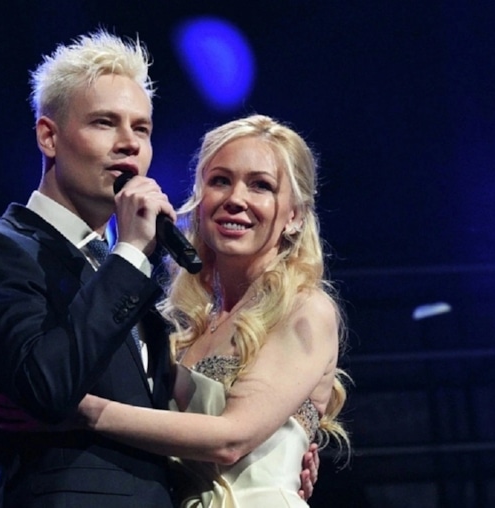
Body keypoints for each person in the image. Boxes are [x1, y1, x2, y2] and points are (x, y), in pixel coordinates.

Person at [0, 30, 319, 507]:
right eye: (105, 123)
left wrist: (271, 457)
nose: (129, 144)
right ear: (49, 137)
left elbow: (179, 427)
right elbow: (47, 389)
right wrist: (130, 253)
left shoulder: (125, 271)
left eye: (141, 129)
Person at [75, 113, 351, 507]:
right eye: (220, 180)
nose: (235, 199)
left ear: (295, 216)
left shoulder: (306, 309)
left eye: (261, 185)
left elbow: (231, 439)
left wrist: (82, 412)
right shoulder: (194, 325)